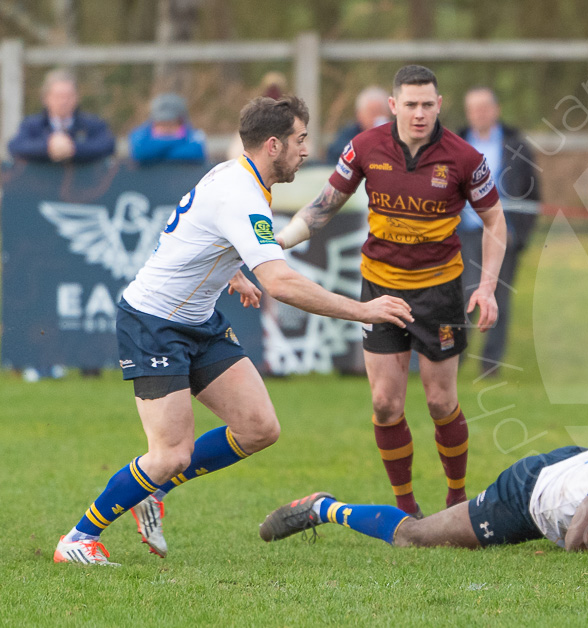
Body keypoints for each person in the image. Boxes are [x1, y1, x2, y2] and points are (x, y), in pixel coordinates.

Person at [52, 96, 414, 566]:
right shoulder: (241, 192)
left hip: (199, 320)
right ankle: (78, 539)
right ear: (272, 144)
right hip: (154, 324)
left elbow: (201, 238)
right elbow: (281, 283)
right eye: (300, 140)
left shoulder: (240, 176)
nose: (306, 150)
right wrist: (365, 310)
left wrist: (231, 271)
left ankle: (150, 488)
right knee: (169, 455)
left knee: (258, 428)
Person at [276, 65, 507, 518]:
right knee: (385, 405)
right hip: (380, 289)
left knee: (441, 401)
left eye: (427, 104)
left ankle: (456, 500)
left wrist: (488, 287)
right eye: (410, 104)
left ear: (439, 106)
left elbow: (496, 221)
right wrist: (276, 242)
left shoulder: (464, 157)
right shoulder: (365, 147)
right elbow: (324, 207)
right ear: (393, 105)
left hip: (439, 292)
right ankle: (407, 508)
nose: (419, 113)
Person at [259, 441, 588, 553]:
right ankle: (323, 506)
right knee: (417, 537)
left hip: (575, 469)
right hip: (530, 492)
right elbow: (577, 539)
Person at [457, 87, 543, 378]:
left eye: (484, 108)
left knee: (498, 299)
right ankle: (454, 358)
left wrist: (521, 235)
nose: (479, 114)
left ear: (496, 110)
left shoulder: (516, 145)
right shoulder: (455, 144)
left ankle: (490, 365)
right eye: (474, 109)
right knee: (463, 295)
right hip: (465, 233)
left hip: (503, 235)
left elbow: (532, 193)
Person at [7, 69, 115, 164]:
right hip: (40, 183)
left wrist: (73, 148)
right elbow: (15, 146)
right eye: (58, 96)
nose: (63, 101)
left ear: (77, 98)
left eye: (68, 96)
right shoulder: (31, 125)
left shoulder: (93, 124)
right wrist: (48, 147)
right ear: (46, 98)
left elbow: (108, 145)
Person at [129, 93, 208, 166]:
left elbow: (195, 153)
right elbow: (140, 152)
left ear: (181, 122)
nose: (165, 129)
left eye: (170, 124)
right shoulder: (141, 134)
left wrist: (156, 153)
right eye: (161, 124)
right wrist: (177, 142)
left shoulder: (194, 135)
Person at [324, 86, 390, 163]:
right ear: (359, 115)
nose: (376, 117)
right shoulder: (349, 133)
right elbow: (335, 152)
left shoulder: (397, 133)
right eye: (372, 112)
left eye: (380, 111)